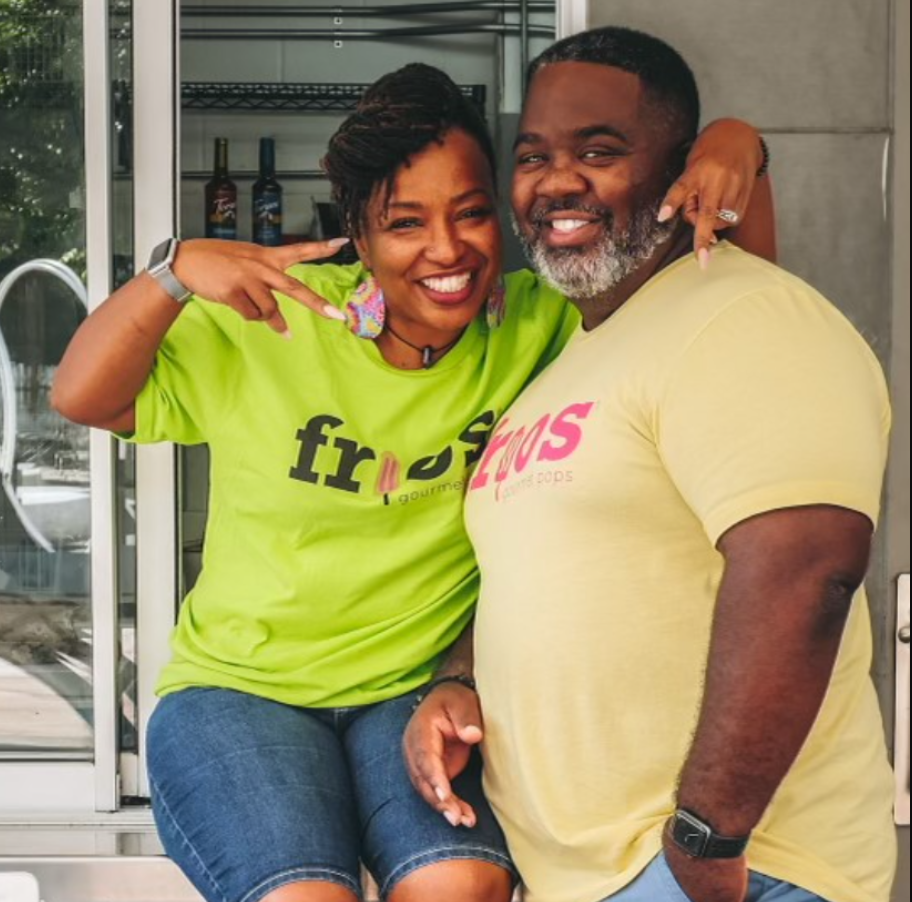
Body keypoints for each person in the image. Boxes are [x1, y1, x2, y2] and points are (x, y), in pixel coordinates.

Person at [52, 62, 771, 902]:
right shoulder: (274, 316)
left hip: (420, 691)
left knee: (460, 886)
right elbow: (83, 396)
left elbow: (723, 301)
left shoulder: (535, 324)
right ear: (358, 231)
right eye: (405, 223)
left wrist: (738, 147)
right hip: (242, 694)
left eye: (470, 214)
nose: (445, 250)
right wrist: (173, 274)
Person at [408, 26, 895, 902]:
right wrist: (458, 680)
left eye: (599, 151)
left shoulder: (744, 317)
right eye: (533, 156)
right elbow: (539, 574)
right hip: (592, 878)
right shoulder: (576, 359)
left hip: (730, 870)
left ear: (681, 172)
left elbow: (804, 573)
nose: (557, 181)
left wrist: (707, 838)